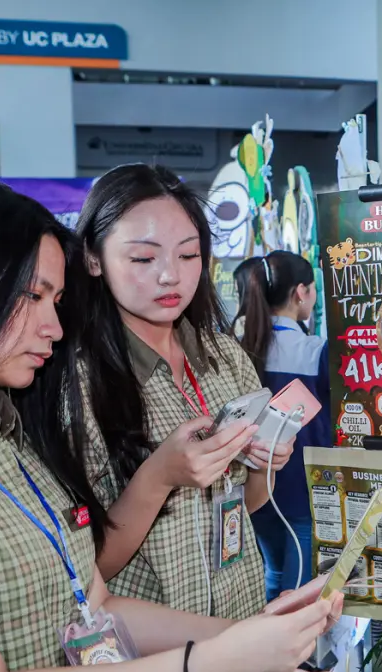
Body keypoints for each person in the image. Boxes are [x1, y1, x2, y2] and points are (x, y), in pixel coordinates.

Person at [0, 179, 338, 672]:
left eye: (189, 254)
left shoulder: (5, 432)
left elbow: (92, 603)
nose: (54, 328)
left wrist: (257, 637)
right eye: (32, 296)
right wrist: (212, 658)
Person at [70, 164, 291, 619]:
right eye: (143, 259)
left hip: (240, 623)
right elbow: (83, 567)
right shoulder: (75, 384)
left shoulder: (225, 357)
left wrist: (261, 467)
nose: (170, 276)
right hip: (149, 650)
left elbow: (242, 509)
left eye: (188, 256)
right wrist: (158, 477)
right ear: (93, 258)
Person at [232, 251, 331, 602]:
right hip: (304, 493)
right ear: (300, 293)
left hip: (254, 488)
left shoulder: (239, 350)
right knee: (299, 596)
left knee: (275, 579)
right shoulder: (316, 352)